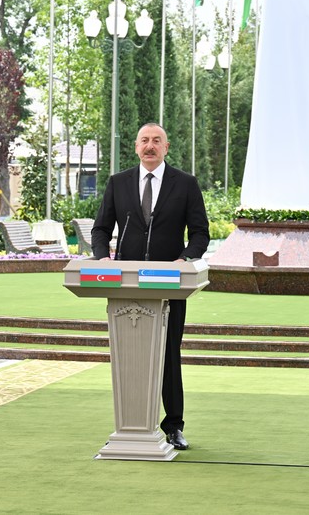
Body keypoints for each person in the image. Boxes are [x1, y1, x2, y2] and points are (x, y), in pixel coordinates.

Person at [91, 123, 209, 451]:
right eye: (144, 140)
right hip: (127, 286)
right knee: (129, 356)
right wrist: (102, 258)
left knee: (169, 355)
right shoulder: (118, 183)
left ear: (166, 147)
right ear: (135, 146)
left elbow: (200, 232)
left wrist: (185, 260)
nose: (150, 146)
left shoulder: (185, 184)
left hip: (170, 285)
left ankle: (173, 426)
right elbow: (101, 229)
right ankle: (130, 425)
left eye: (157, 141)